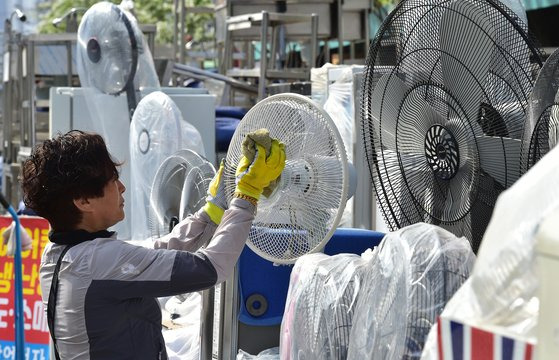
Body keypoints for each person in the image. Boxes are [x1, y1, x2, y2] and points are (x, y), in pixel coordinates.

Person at [21, 130, 285, 359]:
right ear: (83, 201)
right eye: (112, 180)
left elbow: (152, 255)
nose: (122, 188)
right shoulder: (97, 261)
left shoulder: (59, 254)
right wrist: (247, 195)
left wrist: (210, 213)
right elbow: (211, 268)